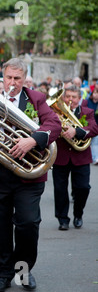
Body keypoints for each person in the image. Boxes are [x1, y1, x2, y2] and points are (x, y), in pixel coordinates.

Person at [0, 58, 62, 292]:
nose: (12, 83)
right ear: (3, 77)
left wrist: (33, 140)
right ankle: (3, 274)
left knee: (28, 224)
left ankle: (23, 271)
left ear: (24, 79)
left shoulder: (36, 99)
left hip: (27, 176)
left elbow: (54, 124)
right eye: (9, 78)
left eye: (17, 78)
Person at [53, 86, 98, 230]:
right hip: (61, 156)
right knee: (60, 190)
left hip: (81, 157)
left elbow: (94, 128)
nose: (70, 100)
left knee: (83, 188)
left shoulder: (87, 112)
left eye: (74, 97)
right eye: (68, 97)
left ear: (79, 99)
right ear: (64, 98)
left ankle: (78, 214)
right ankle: (62, 219)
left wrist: (77, 131)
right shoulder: (55, 112)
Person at [82, 86, 98, 164]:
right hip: (88, 125)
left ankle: (95, 158)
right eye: (95, 93)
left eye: (97, 93)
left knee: (95, 143)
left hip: (96, 125)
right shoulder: (87, 101)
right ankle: (93, 157)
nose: (96, 95)